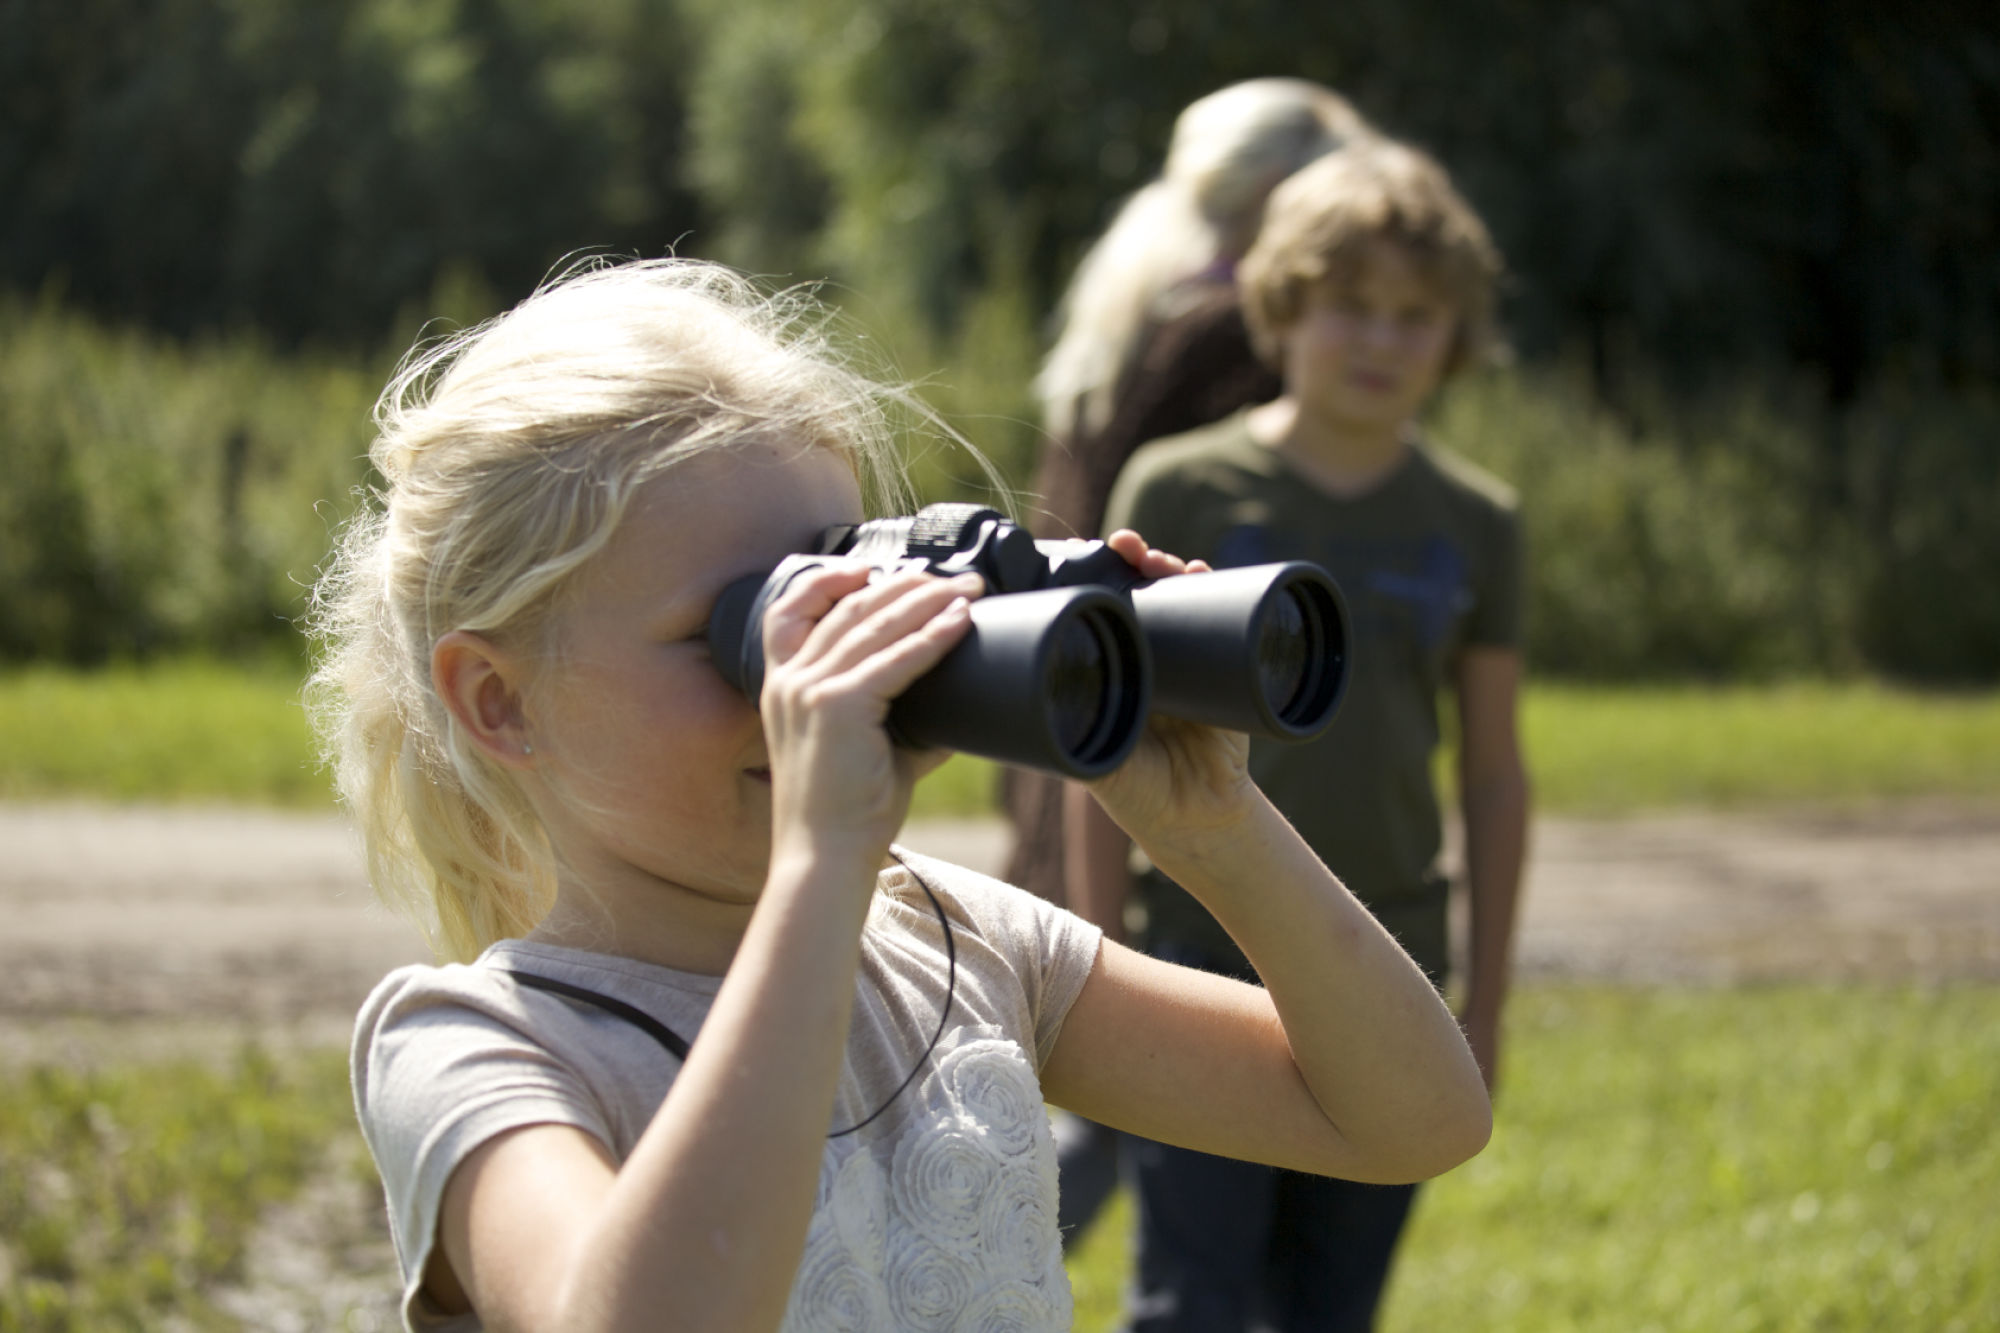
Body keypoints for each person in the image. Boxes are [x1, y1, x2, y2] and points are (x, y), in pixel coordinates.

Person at [307, 257, 1490, 1332]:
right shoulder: (478, 1046)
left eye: (849, 588)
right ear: (500, 701)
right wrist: (820, 866)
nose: (834, 669)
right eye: (753, 629)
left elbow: (1409, 1121)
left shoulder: (963, 941)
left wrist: (1221, 831)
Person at [1076, 143, 1532, 1330]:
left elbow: (1491, 773)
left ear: (1454, 334)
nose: (1380, 341)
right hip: (1193, 947)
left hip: (1387, 948)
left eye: (1413, 315)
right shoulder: (1177, 487)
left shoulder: (1476, 521)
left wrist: (1479, 997)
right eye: (1348, 306)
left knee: (1330, 1305)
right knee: (1190, 1295)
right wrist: (1093, 954)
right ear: (1279, 306)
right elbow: (1096, 736)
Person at [1005, 77, 1376, 918]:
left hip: (1067, 653)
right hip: (1143, 669)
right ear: (1281, 198)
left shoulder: (1137, 301)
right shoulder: (1234, 331)